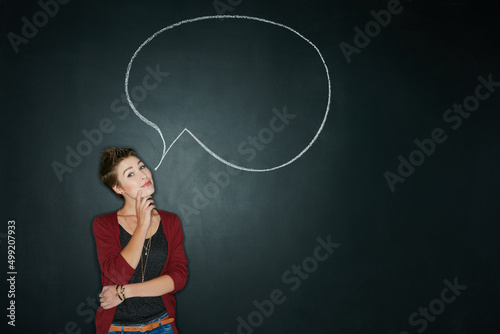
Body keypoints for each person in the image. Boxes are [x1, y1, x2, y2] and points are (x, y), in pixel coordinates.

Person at [93, 148, 188, 334]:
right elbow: (118, 275)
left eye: (142, 167)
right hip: (118, 328)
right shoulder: (103, 224)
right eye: (130, 174)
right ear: (118, 188)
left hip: (162, 325)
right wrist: (142, 225)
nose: (143, 175)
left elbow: (178, 278)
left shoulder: (170, 221)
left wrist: (123, 292)